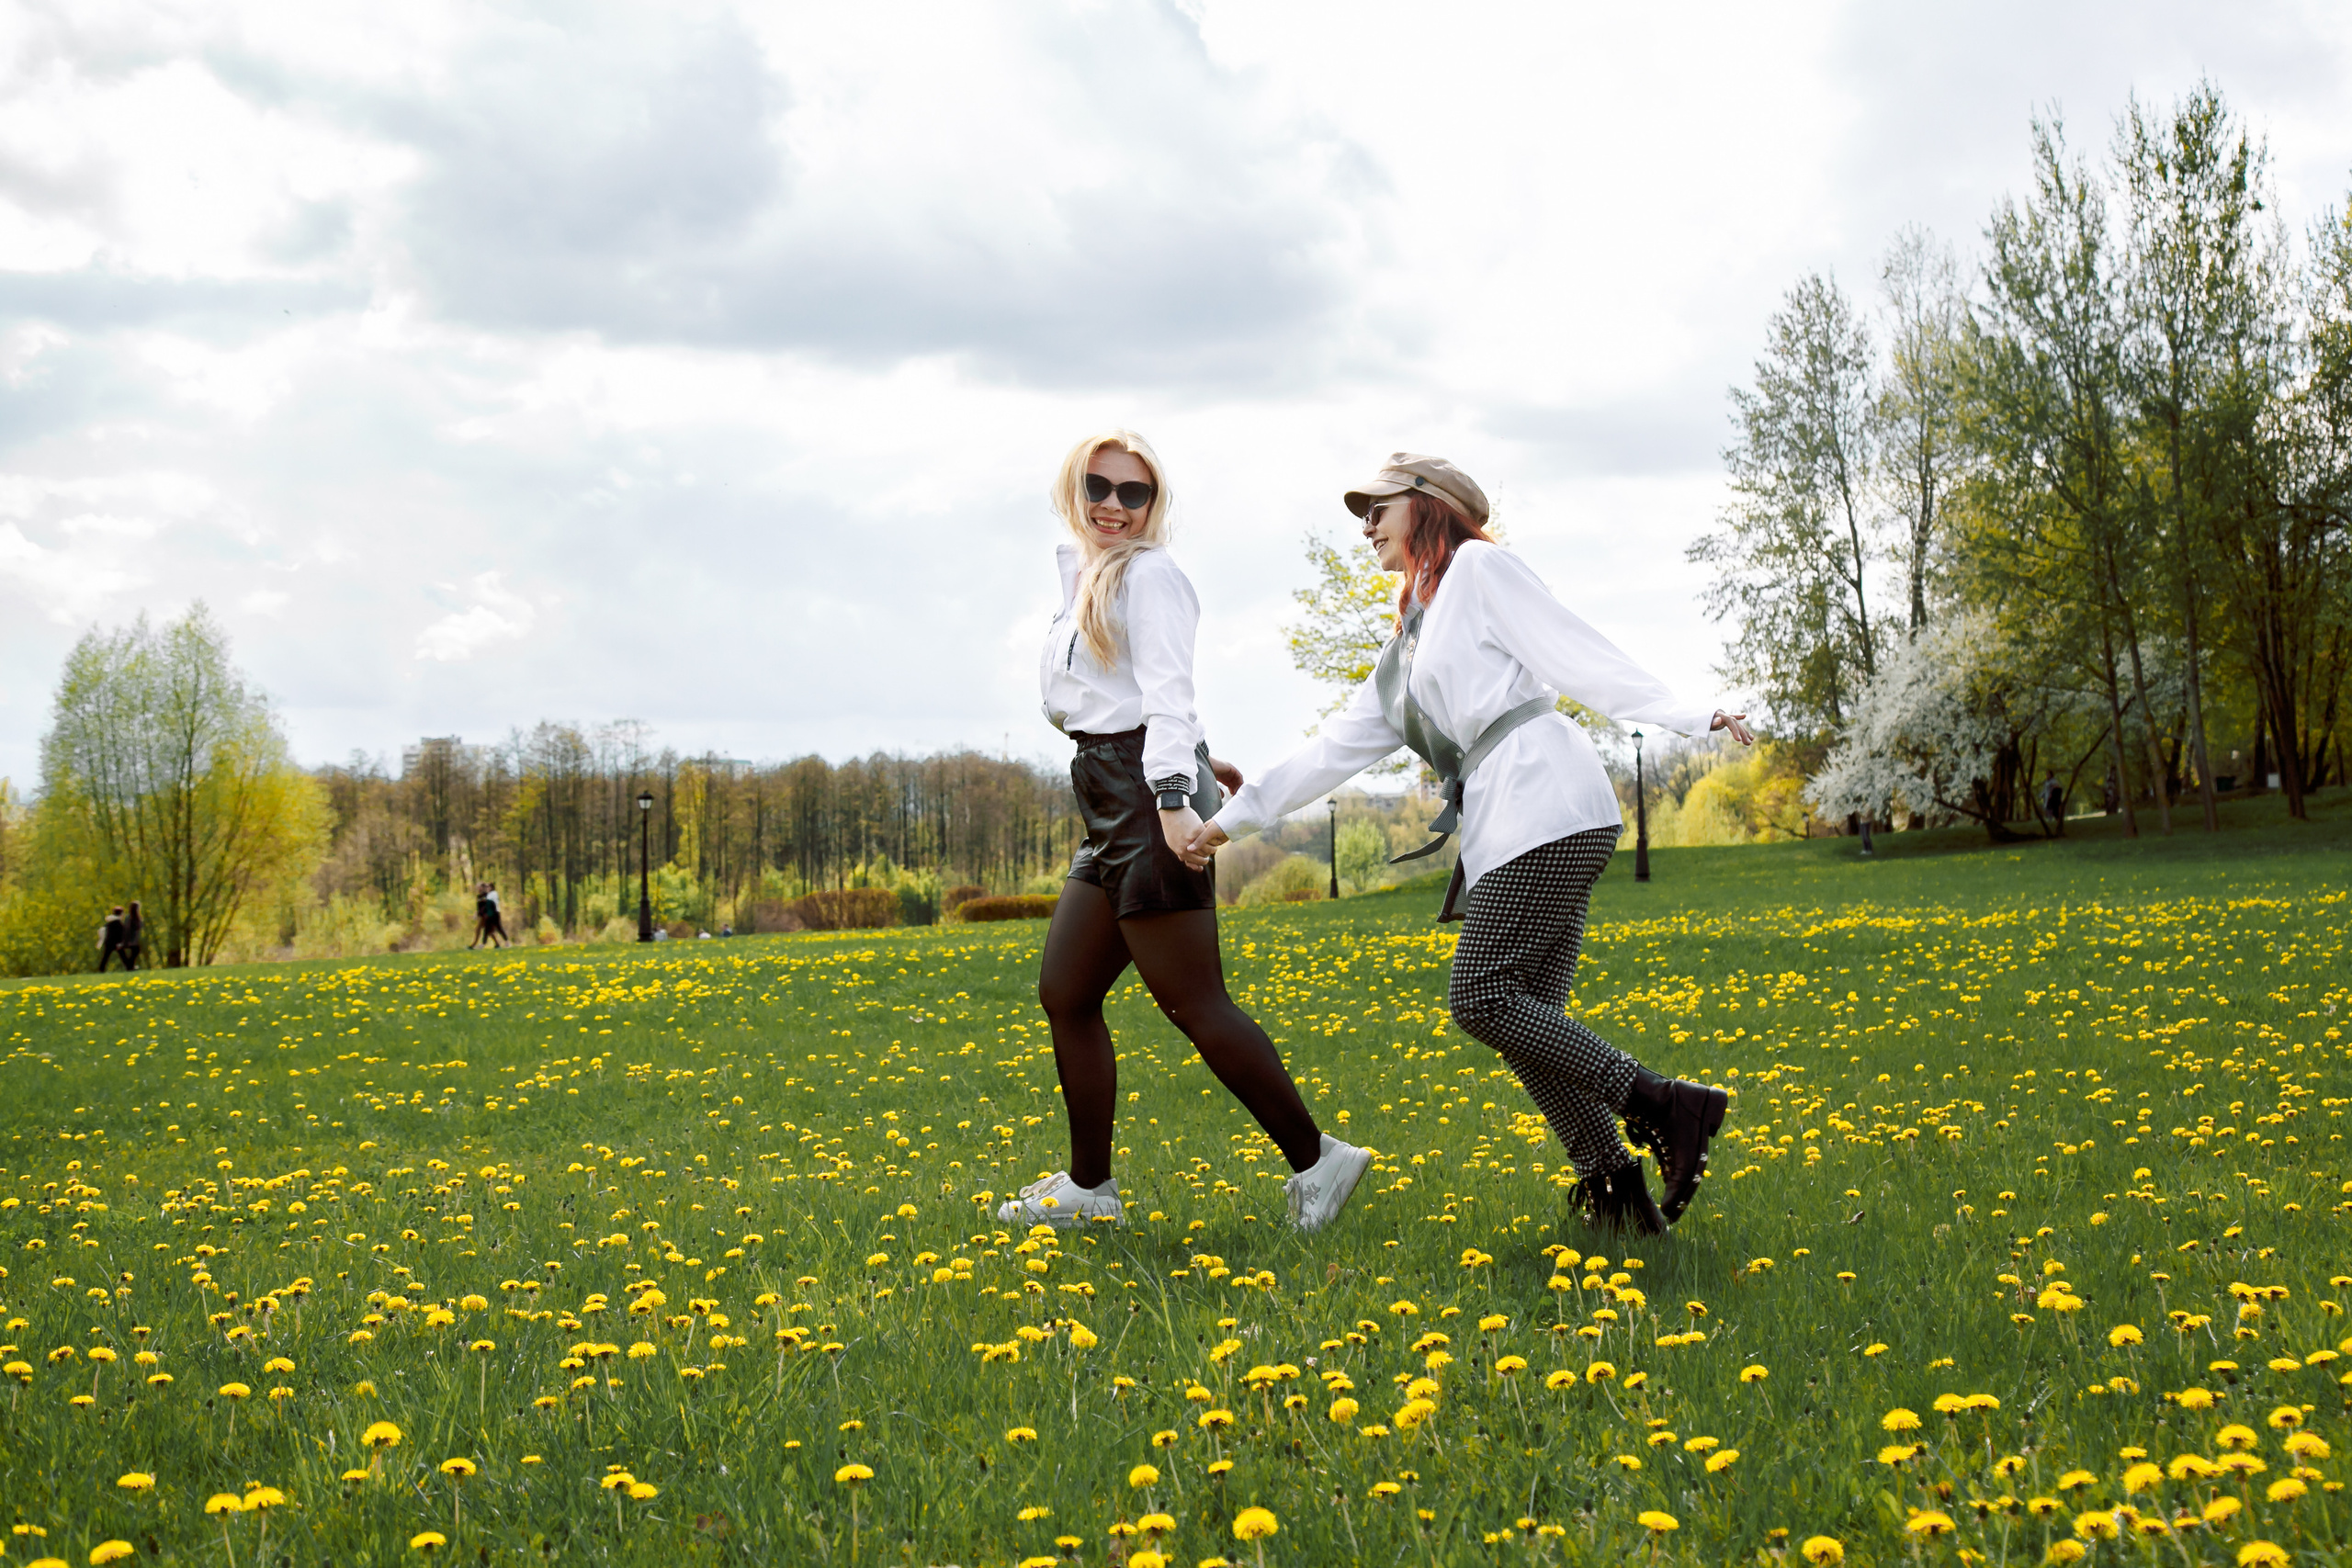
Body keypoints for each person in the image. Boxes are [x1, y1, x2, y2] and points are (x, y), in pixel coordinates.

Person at [1189, 454, 1748, 1235]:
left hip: (1545, 799)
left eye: (1377, 507)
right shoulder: (1405, 652)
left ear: (1427, 505)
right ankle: (1620, 1196)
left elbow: (1574, 649)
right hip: (1517, 815)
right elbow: (1327, 751)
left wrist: (1691, 712)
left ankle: (1665, 1104)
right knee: (1532, 1024)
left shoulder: (1481, 570)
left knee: (1481, 996)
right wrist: (1225, 823)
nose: (1366, 525)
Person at [998, 428, 1372, 1234]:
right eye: (1100, 487)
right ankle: (1090, 1190)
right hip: (1112, 793)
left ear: (1153, 504)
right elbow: (1128, 699)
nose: (1114, 506)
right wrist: (1198, 762)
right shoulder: (1088, 578)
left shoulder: (1153, 576)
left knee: (1194, 1001)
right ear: (1075, 488)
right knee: (1065, 990)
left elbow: (1169, 692)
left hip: (1143, 800)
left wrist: (1176, 796)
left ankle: (1319, 1161)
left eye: (1135, 493)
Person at [98, 906, 129, 972]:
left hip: (108, 943)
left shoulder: (110, 923)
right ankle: (129, 967)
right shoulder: (118, 923)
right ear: (121, 914)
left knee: (106, 957)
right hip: (116, 943)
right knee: (123, 956)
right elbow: (119, 934)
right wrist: (120, 943)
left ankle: (101, 969)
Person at [119, 900, 143, 970]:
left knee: (135, 952)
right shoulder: (131, 918)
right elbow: (128, 929)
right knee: (135, 951)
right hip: (131, 939)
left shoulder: (133, 917)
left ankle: (130, 966)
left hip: (133, 939)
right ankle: (130, 966)